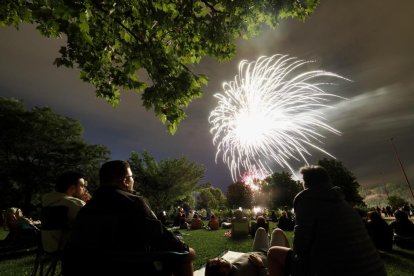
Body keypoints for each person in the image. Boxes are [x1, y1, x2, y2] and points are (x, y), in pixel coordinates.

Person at [65, 160, 195, 275]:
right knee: (188, 254)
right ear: (125, 181)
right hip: (132, 266)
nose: (133, 181)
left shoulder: (87, 207)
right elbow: (159, 235)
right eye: (132, 177)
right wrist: (183, 247)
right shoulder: (134, 201)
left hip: (89, 267)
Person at [267, 165, 386, 276]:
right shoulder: (342, 202)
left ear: (306, 183)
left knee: (273, 253)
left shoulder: (307, 201)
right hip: (374, 269)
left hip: (336, 269)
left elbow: (300, 247)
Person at [205, 227, 289, 276]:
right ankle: (289, 256)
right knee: (277, 231)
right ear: (223, 271)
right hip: (272, 258)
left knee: (260, 229)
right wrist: (260, 266)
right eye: (220, 265)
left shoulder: (230, 267)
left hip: (258, 250)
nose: (223, 260)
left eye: (220, 259)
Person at [41, 171, 87, 252]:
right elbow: (92, 222)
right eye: (82, 186)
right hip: (69, 247)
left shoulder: (47, 202)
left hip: (48, 246)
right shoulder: (73, 203)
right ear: (72, 188)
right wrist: (88, 203)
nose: (84, 189)